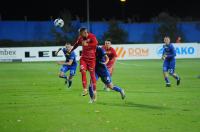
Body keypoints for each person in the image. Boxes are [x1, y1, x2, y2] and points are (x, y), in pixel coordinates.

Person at [69, 27, 98, 98]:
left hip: (91, 59)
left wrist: (87, 45)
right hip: (83, 59)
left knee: (92, 75)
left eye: (81, 33)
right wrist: (71, 50)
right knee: (83, 71)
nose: (80, 35)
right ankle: (85, 89)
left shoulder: (92, 36)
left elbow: (95, 44)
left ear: (85, 32)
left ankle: (94, 91)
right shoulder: (81, 38)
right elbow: (76, 44)